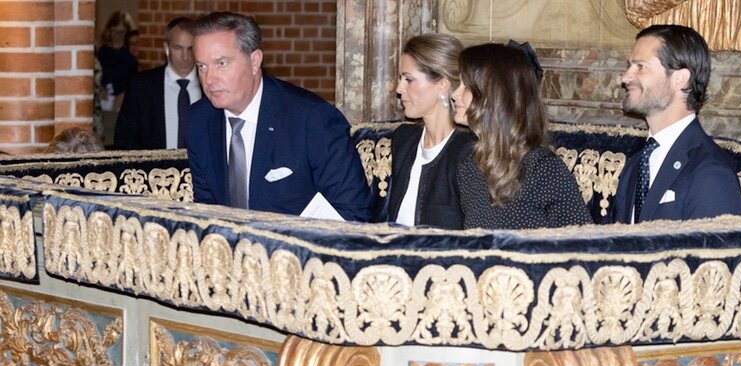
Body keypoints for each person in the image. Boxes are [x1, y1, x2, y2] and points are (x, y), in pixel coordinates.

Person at [186, 12, 370, 220]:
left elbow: (353, 212)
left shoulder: (312, 119)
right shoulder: (199, 121)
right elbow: (206, 211)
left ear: (255, 61)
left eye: (221, 64)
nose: (209, 79)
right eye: (202, 66)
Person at [611, 24, 741, 224]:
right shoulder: (636, 163)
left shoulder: (711, 174)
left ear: (680, 78)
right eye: (629, 66)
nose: (625, 77)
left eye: (640, 67)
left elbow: (711, 255)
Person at [451, 43, 592, 229]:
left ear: (495, 96)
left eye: (466, 86)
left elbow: (582, 243)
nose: (454, 94)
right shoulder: (469, 167)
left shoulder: (543, 169)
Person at [378, 34, 474, 229]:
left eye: (409, 80)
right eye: (400, 79)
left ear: (443, 85)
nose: (399, 88)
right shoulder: (404, 139)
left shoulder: (468, 150)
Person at [115, 18, 202, 150]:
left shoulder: (211, 86)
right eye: (178, 48)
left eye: (190, 49)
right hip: (153, 169)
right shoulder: (141, 86)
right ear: (166, 48)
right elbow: (125, 139)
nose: (185, 56)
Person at [95, 11, 139, 112]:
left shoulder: (130, 54)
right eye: (115, 31)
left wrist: (123, 96)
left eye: (122, 32)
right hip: (103, 100)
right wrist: (100, 89)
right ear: (109, 31)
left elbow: (134, 80)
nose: (118, 36)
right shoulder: (102, 52)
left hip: (123, 103)